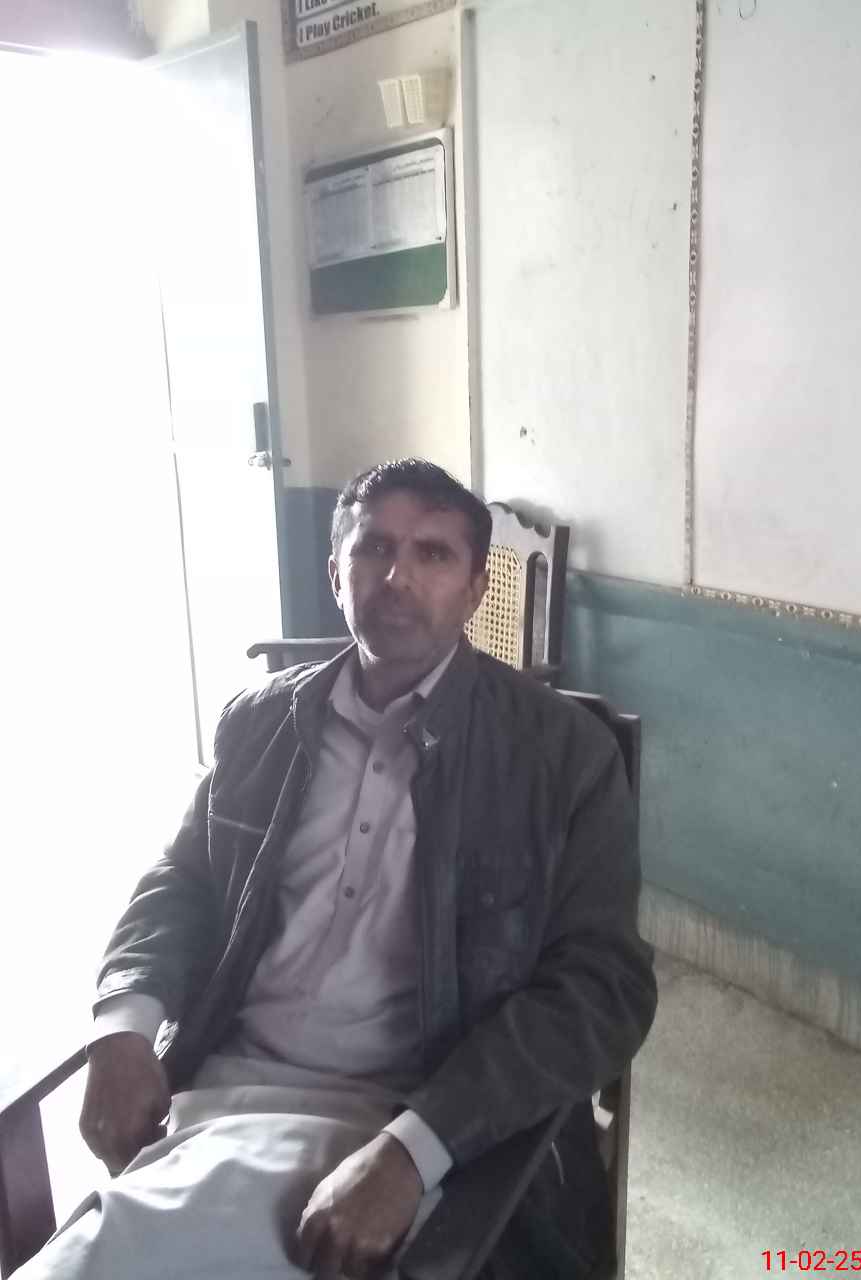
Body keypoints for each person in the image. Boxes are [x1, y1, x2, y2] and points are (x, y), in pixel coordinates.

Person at [20, 459, 657, 1279]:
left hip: (427, 1118)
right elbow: (182, 880)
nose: (397, 577)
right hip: (221, 1097)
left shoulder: (559, 755)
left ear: (476, 591)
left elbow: (603, 984)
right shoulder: (260, 723)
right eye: (374, 548)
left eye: (433, 554)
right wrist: (123, 1028)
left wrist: (413, 1150)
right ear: (334, 574)